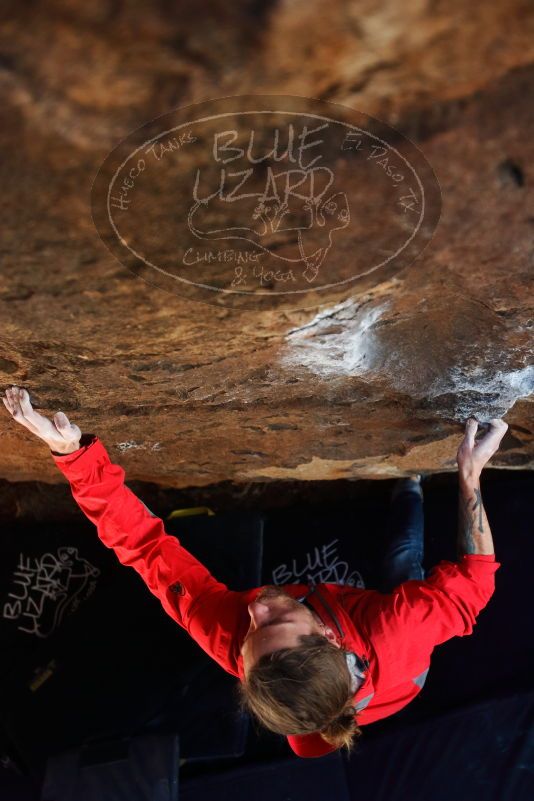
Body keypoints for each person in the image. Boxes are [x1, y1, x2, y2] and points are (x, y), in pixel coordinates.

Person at [2, 385, 507, 759]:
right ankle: (410, 486)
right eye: (274, 622)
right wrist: (469, 476)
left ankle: (406, 487)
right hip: (402, 680)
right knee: (403, 562)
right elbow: (477, 580)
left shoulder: (228, 637)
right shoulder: (399, 628)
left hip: (338, 684)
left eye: (251, 635)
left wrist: (72, 456)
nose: (254, 607)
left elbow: (143, 545)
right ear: (328, 633)